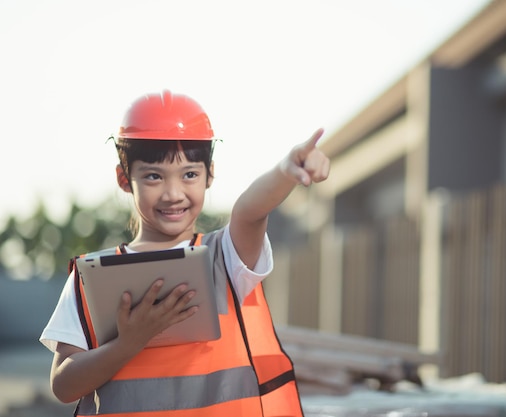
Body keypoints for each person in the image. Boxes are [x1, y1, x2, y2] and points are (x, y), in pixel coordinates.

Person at [39, 89, 330, 416]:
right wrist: (127, 344)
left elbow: (249, 211)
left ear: (210, 174)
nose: (173, 193)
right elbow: (63, 385)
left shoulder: (225, 257)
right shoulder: (89, 278)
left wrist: (285, 171)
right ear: (124, 178)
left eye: (190, 174)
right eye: (153, 176)